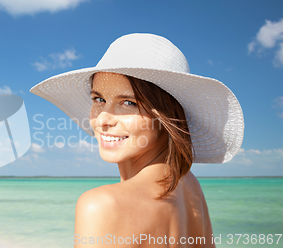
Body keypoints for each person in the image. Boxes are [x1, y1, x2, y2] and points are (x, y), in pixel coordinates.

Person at [29, 33, 244, 247]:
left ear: (166, 115)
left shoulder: (101, 206)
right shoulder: (188, 184)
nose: (103, 119)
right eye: (99, 99)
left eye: (128, 103)